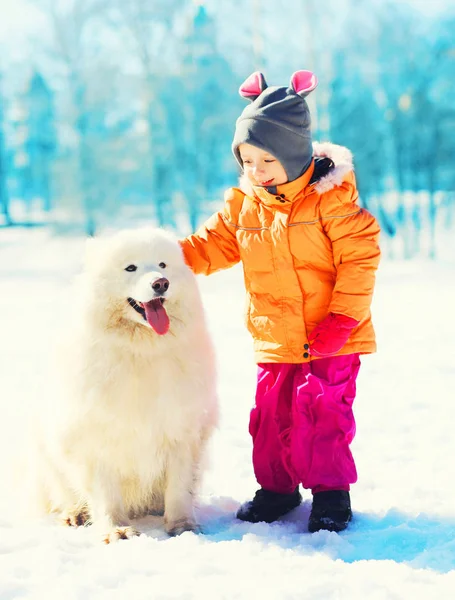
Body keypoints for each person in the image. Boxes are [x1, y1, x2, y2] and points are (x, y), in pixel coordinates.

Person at [179, 70, 381, 533]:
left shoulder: (331, 201)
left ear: (293, 154)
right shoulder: (243, 206)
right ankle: (277, 489)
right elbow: (209, 246)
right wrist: (166, 259)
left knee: (323, 415)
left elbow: (360, 258)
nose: (256, 171)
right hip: (275, 336)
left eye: (266, 160)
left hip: (332, 336)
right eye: (247, 160)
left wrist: (344, 318)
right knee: (270, 419)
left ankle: (330, 495)